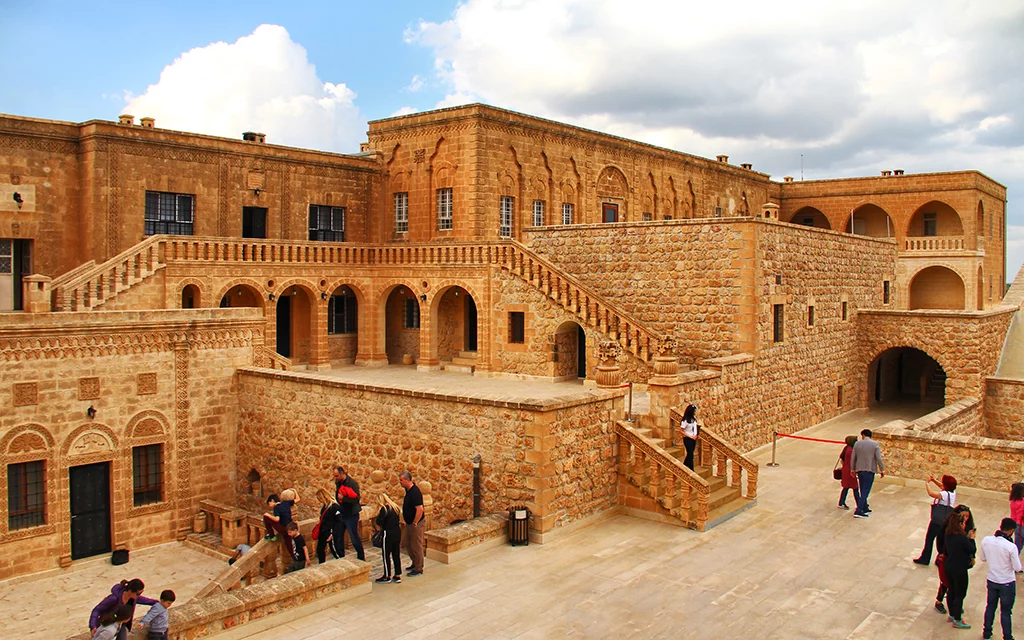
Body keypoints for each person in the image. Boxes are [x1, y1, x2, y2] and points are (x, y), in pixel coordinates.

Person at [979, 517, 1022, 640]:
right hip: (1007, 582)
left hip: (992, 580)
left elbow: (983, 558)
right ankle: (1007, 637)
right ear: (1011, 531)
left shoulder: (987, 540)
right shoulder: (1011, 547)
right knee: (1006, 611)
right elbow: (1018, 567)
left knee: (990, 607)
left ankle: (987, 632)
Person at [934, 505, 975, 616]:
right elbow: (940, 540)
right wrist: (942, 553)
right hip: (949, 558)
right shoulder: (949, 528)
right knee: (946, 582)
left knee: (956, 587)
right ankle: (939, 601)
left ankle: (955, 607)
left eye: (967, 516)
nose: (966, 519)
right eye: (963, 516)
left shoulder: (966, 527)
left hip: (960, 559)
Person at [89, 578, 158, 640]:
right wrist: (93, 626)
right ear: (130, 591)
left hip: (120, 624)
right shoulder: (113, 598)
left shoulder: (133, 598)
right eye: (138, 593)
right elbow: (97, 610)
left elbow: (145, 600)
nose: (139, 596)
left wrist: (158, 603)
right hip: (109, 623)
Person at [944, 509, 977, 629]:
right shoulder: (962, 538)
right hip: (959, 569)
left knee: (951, 590)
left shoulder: (948, 535)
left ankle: (952, 614)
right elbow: (971, 549)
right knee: (960, 594)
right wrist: (971, 539)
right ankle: (957, 619)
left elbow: (946, 550)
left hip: (949, 566)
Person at [914, 474, 957, 565]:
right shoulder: (952, 493)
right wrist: (933, 480)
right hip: (946, 520)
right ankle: (942, 559)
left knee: (929, 539)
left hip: (937, 521)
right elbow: (942, 486)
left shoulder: (944, 494)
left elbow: (931, 494)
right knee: (941, 541)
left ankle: (925, 558)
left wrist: (927, 484)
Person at [333, 466, 365, 561]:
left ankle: (361, 556)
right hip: (342, 512)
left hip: (351, 514)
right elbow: (337, 494)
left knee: (353, 536)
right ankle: (341, 556)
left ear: (342, 473)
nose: (335, 478)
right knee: (339, 535)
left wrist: (343, 499)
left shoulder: (352, 483)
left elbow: (356, 499)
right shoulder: (338, 482)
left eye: (337, 476)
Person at [851, 429, 884, 518]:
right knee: (866, 491)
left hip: (860, 470)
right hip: (869, 470)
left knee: (862, 489)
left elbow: (853, 458)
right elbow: (878, 458)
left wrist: (852, 469)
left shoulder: (857, 444)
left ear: (864, 435)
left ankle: (865, 508)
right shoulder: (874, 444)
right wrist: (882, 469)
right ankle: (859, 510)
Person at [400, 470, 425, 576]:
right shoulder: (408, 490)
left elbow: (420, 509)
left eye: (401, 480)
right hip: (409, 522)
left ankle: (419, 568)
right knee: (406, 542)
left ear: (407, 480)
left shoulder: (415, 492)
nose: (400, 482)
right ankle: (414, 562)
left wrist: (415, 522)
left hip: (416, 523)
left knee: (416, 545)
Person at [375, 492, 403, 584]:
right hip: (397, 532)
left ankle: (387, 575)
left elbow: (379, 522)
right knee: (396, 554)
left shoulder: (384, 509)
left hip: (388, 534)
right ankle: (397, 574)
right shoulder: (395, 507)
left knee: (386, 555)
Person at [315, 491, 343, 564]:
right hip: (323, 530)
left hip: (330, 531)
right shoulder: (325, 506)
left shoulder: (334, 507)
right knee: (320, 549)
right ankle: (322, 565)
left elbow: (339, 522)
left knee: (335, 550)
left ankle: (342, 563)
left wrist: (333, 533)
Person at [837, 435, 859, 510]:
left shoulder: (846, 448)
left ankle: (841, 502)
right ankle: (859, 504)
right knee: (855, 488)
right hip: (850, 471)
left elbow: (842, 458)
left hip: (845, 470)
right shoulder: (851, 451)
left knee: (846, 487)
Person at [678, 404, 699, 471]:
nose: (695, 412)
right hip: (688, 439)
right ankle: (691, 469)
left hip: (693, 438)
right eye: (694, 411)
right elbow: (681, 431)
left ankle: (684, 466)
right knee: (691, 454)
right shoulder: (685, 421)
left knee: (690, 454)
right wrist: (690, 436)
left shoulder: (693, 419)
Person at [1010, 482, 1024, 554]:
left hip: (1016, 525)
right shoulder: (1023, 502)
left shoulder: (1013, 501)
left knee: (1018, 543)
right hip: (1022, 525)